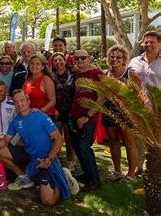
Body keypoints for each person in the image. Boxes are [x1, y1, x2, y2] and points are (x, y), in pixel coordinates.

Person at [0, 90, 76, 206]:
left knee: (48, 201)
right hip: (30, 157)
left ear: (28, 101)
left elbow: (59, 139)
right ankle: (25, 177)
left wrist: (48, 160)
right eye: (16, 102)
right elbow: (5, 140)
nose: (19, 104)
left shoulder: (40, 116)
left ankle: (63, 179)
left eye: (22, 100)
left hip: (46, 159)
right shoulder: (15, 121)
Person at [69, 49, 104, 192]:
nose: (80, 61)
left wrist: (87, 116)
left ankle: (94, 181)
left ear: (89, 58)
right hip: (74, 116)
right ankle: (86, 173)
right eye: (76, 59)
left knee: (84, 147)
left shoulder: (97, 74)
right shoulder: (76, 74)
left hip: (88, 118)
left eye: (83, 58)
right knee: (77, 147)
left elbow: (101, 98)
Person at [103, 45, 139, 182]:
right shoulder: (105, 74)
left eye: (118, 57)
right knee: (113, 142)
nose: (114, 59)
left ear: (124, 58)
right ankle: (117, 171)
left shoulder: (131, 74)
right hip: (109, 112)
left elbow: (139, 94)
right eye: (112, 57)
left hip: (126, 114)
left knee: (129, 143)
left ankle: (131, 175)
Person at [128, 31, 161, 175]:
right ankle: (139, 166)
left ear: (159, 43)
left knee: (158, 137)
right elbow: (132, 83)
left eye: (152, 42)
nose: (148, 45)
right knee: (140, 137)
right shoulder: (135, 61)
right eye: (146, 42)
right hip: (140, 107)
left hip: (159, 107)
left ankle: (156, 167)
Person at [52, 52, 77, 171]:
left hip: (70, 109)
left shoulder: (73, 74)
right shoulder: (51, 76)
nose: (58, 62)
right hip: (56, 110)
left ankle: (70, 161)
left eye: (60, 60)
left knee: (69, 138)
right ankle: (55, 159)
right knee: (56, 137)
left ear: (65, 61)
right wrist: (54, 109)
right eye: (55, 60)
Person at [22, 54, 56, 120]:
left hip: (45, 116)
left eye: (37, 64)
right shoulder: (28, 78)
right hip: (31, 115)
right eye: (32, 63)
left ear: (43, 66)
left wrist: (39, 111)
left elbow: (53, 101)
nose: (34, 66)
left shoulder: (46, 80)